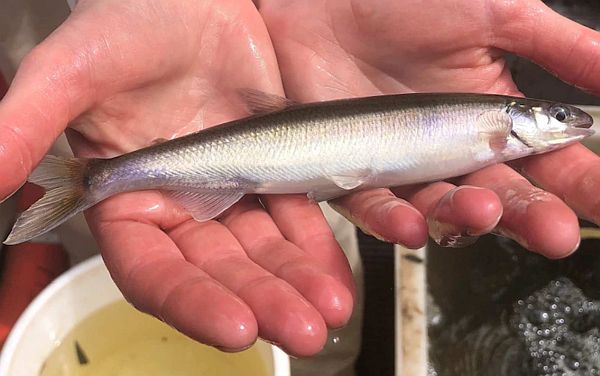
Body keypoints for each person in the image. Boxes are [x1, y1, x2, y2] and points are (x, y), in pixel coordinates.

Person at [1, 0, 600, 370]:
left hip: (306, 153)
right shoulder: (496, 124)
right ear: (520, 119)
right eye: (557, 116)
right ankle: (94, 186)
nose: (571, 122)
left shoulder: (498, 127)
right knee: (227, 267)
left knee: (312, 289)